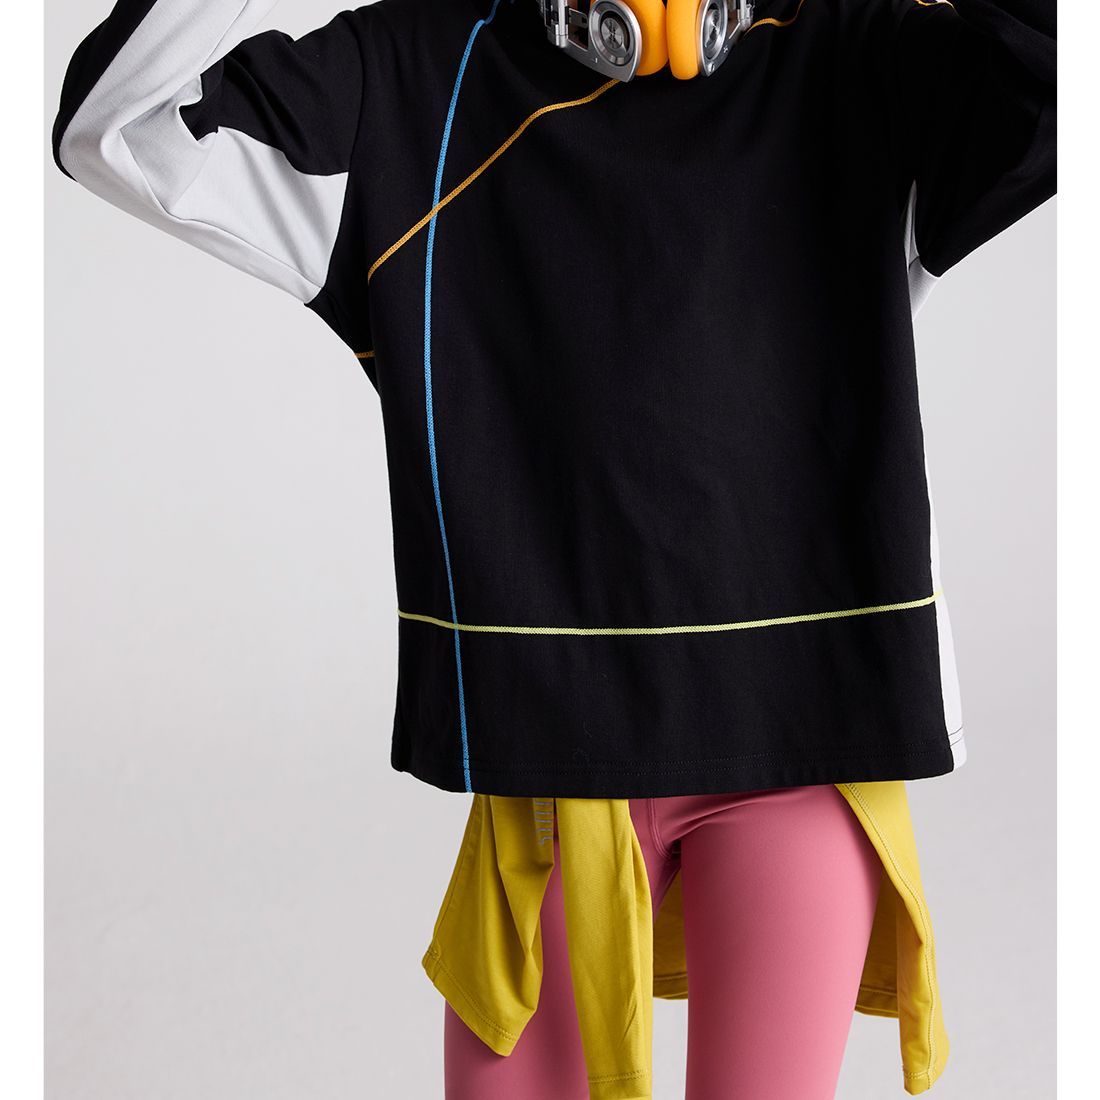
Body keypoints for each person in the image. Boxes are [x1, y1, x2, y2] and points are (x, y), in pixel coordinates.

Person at [53, 1, 1055, 1096]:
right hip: (546, 777)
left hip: (802, 757)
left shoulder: (862, 62)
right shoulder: (409, 82)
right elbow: (120, 130)